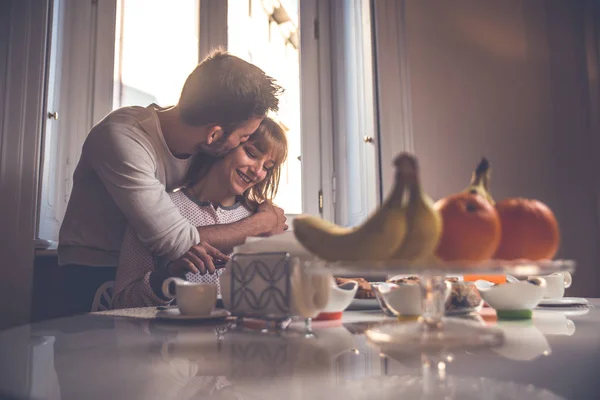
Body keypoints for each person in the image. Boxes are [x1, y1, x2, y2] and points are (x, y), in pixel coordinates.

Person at [58, 49, 287, 315]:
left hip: (147, 258)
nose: (243, 143)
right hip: (95, 267)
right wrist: (260, 225)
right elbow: (178, 241)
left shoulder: (201, 143)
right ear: (215, 135)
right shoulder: (123, 139)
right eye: (244, 139)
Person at [112, 117, 287, 309]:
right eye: (251, 154)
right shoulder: (158, 211)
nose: (258, 172)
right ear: (225, 144)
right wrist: (169, 274)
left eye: (267, 168)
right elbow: (122, 303)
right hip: (170, 338)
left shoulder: (267, 223)